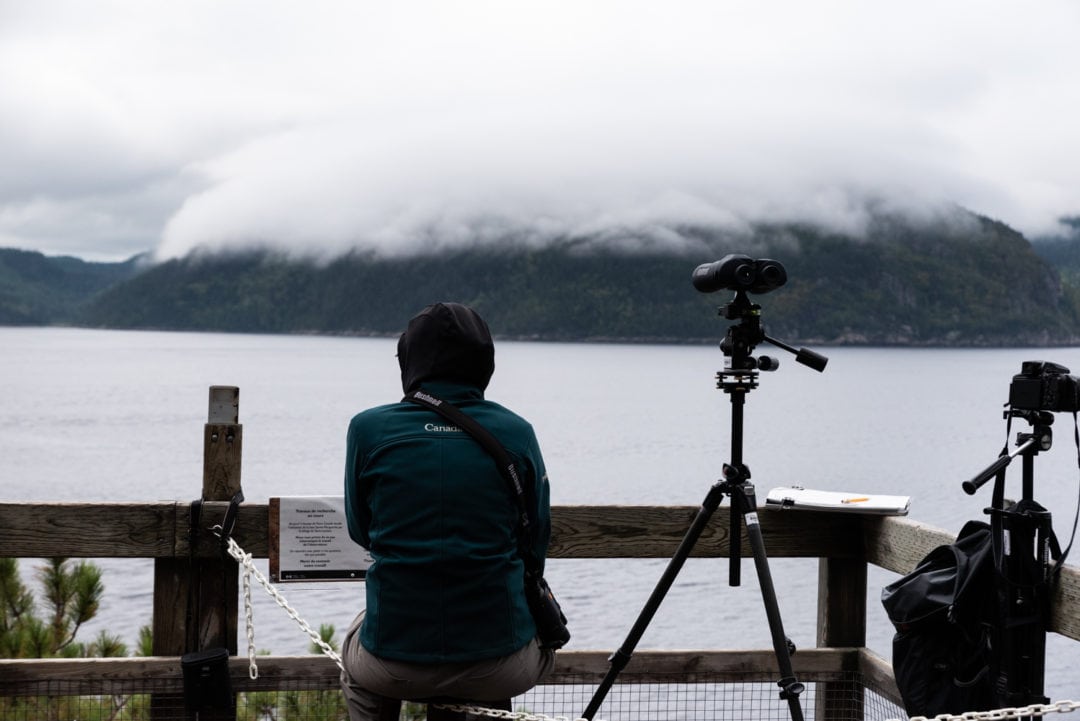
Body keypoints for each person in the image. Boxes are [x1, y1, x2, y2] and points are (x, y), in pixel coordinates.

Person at [340, 302, 555, 721]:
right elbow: (536, 539)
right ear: (484, 362)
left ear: (409, 360)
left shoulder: (368, 429)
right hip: (499, 664)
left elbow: (360, 529)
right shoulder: (516, 433)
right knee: (496, 654)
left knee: (357, 655)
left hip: (394, 661)